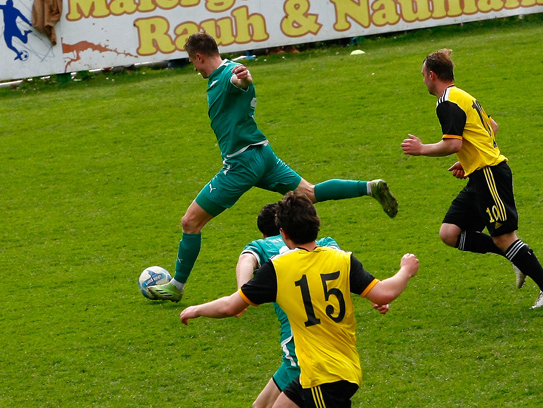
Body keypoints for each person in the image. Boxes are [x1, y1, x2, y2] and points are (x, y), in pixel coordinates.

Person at [180, 192, 421, 408]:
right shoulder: (341, 259)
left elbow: (232, 306)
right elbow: (384, 293)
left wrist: (197, 309)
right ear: (316, 225)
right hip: (334, 368)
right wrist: (405, 270)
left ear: (283, 234)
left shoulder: (279, 269)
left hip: (322, 375)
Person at [146, 31, 399, 302]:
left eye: (193, 62)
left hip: (241, 163)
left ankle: (177, 286)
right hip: (263, 155)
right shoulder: (227, 70)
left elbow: (240, 81)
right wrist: (241, 78)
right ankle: (369, 187)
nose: (194, 69)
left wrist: (244, 79)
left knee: (190, 222)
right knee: (310, 192)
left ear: (199, 56)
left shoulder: (227, 75)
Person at [237, 202, 436, 408]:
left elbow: (246, 259)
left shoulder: (267, 252)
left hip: (308, 357)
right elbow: (345, 282)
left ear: (281, 232)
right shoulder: (331, 248)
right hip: (320, 355)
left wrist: (241, 292)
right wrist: (379, 298)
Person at [400, 49, 543, 309]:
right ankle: (515, 257)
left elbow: (452, 143)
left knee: (503, 237)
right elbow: (492, 127)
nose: (422, 81)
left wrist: (422, 149)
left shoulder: (446, 102)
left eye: (422, 76)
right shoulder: (462, 95)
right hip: (479, 174)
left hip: (489, 174)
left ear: (432, 75)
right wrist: (468, 161)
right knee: (449, 233)